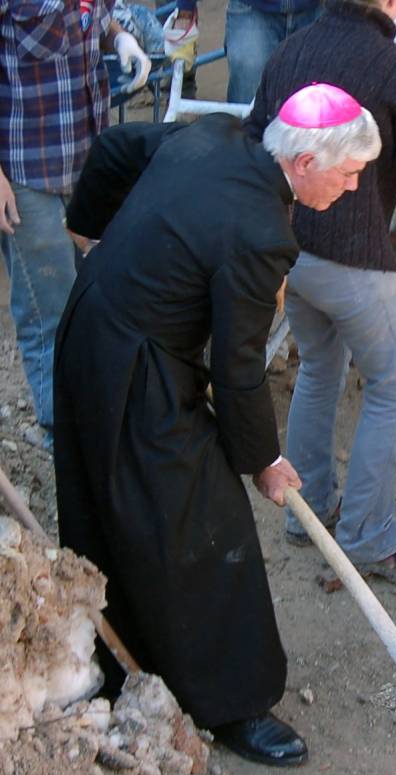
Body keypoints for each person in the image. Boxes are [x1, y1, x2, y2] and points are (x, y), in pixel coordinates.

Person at [54, 85, 381, 766]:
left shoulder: (213, 137)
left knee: (114, 505)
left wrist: (88, 231)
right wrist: (261, 460)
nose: (352, 188)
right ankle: (233, 705)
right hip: (136, 366)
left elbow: (115, 147)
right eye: (348, 173)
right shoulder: (263, 234)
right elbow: (237, 368)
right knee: (205, 526)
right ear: (304, 162)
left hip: (90, 326)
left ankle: (114, 671)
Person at [245, 0, 396, 584]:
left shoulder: (290, 49)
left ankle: (305, 513)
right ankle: (369, 534)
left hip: (290, 248)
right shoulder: (395, 66)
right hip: (355, 255)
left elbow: (254, 138)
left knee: (318, 366)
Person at [0, 0, 149, 446]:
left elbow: (96, 22)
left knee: (98, 297)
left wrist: (121, 38)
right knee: (49, 313)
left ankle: (95, 417)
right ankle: (61, 435)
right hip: (27, 171)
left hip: (88, 164)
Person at [167, 0, 322, 105]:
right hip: (252, 8)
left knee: (317, 110)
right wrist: (185, 11)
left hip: (318, 9)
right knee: (248, 90)